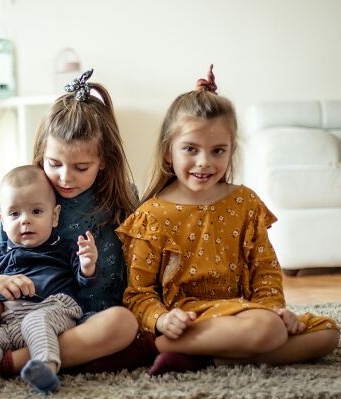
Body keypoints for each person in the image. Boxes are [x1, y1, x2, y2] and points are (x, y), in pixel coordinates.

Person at [116, 65, 340, 376]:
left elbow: (266, 272)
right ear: (169, 153)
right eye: (190, 149)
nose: (204, 162)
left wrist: (276, 308)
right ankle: (158, 347)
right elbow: (138, 294)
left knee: (327, 333)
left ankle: (205, 358)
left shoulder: (244, 202)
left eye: (218, 150)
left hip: (245, 314)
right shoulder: (151, 216)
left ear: (231, 151)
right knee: (270, 331)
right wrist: (162, 321)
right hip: (187, 319)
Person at [0, 69, 155, 376]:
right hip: (13, 314)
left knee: (122, 324)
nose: (65, 177)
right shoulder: (25, 194)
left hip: (81, 316)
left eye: (81, 167)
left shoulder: (123, 200)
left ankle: (12, 363)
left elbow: (140, 272)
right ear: (41, 155)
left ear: (104, 161)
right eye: (54, 164)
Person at [0, 165, 98, 393]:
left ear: (54, 216)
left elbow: (86, 281)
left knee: (35, 322)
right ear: (2, 220)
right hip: (10, 318)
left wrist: (87, 265)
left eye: (36, 212)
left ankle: (46, 367)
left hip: (54, 308)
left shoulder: (63, 248)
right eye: (15, 214)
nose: (25, 220)